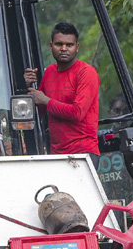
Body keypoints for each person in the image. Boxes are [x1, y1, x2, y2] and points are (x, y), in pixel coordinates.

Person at [23, 22, 100, 156]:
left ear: (77, 47)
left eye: (69, 45)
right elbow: (38, 112)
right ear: (51, 46)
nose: (64, 48)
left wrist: (46, 100)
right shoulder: (50, 72)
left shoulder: (87, 73)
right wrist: (28, 86)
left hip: (83, 152)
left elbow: (77, 113)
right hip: (56, 154)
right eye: (59, 44)